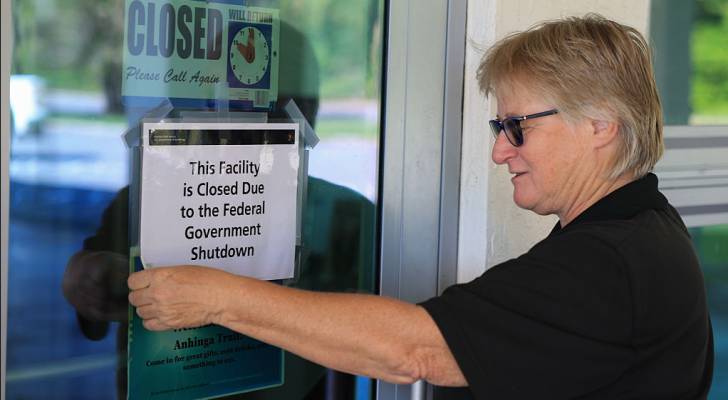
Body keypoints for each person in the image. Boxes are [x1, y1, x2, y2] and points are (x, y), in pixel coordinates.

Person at [128, 14, 714, 399]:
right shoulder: (638, 228)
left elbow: (415, 350)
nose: (499, 151)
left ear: (601, 125)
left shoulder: (613, 262)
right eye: (499, 127)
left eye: (517, 126)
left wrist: (217, 297)